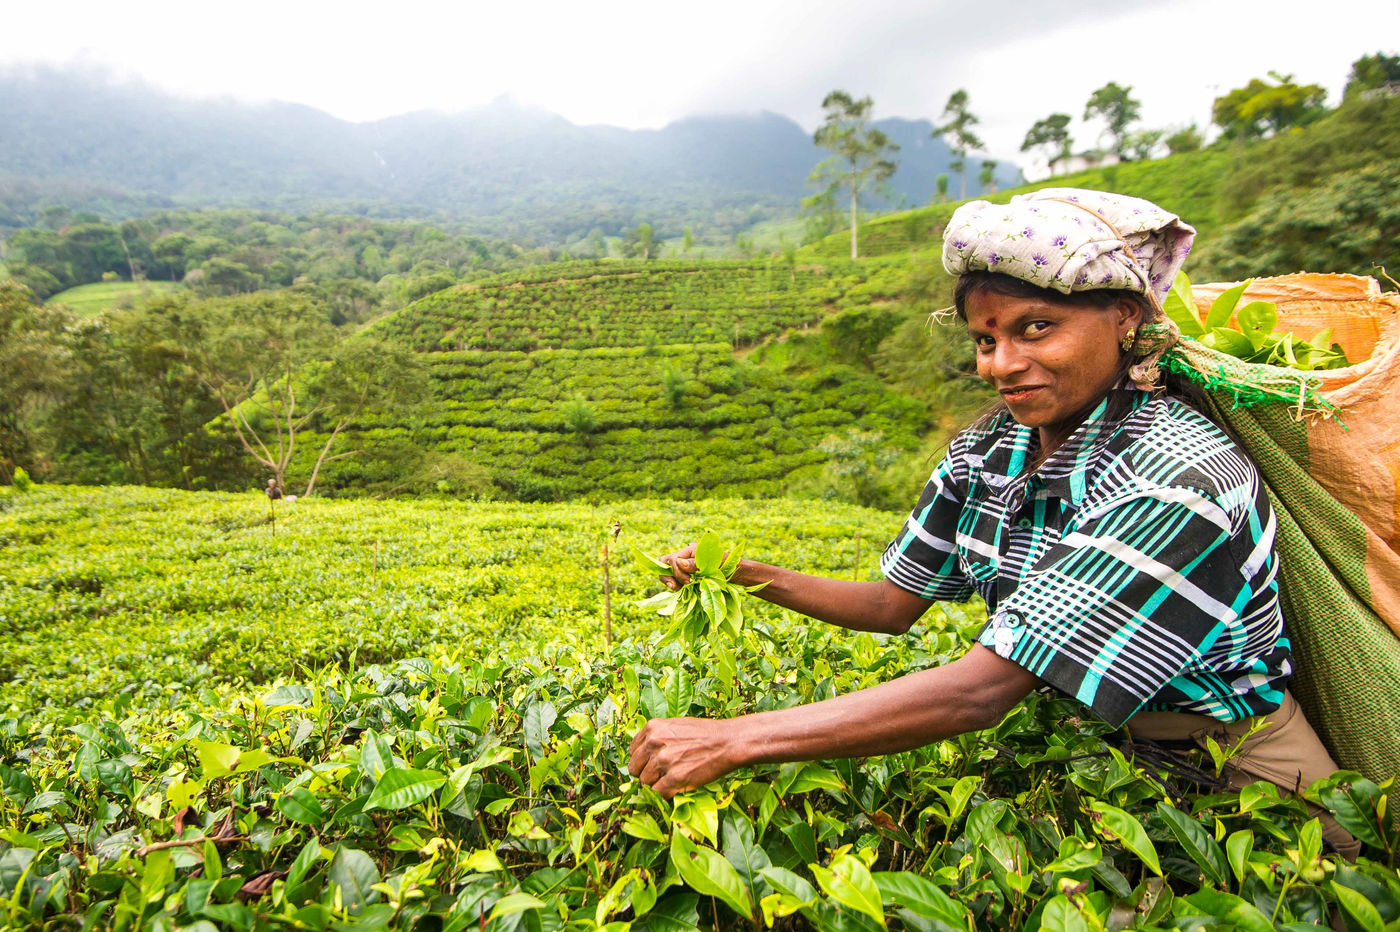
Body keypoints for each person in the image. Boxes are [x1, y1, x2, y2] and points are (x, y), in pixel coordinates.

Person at [627, 188, 1360, 858]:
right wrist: (746, 576)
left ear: (1125, 320)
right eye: (986, 339)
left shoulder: (1176, 477)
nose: (1001, 365)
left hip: (1233, 759)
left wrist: (735, 740)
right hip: (1085, 742)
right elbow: (892, 603)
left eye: (1036, 328)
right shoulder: (988, 451)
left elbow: (982, 690)